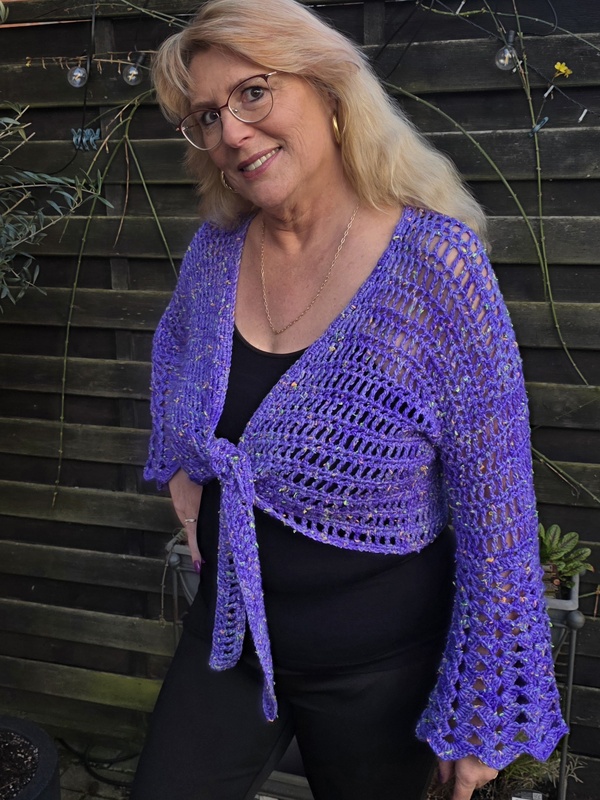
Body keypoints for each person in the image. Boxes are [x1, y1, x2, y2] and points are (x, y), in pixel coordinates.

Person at [132, 1, 567, 798]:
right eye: (208, 116)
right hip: (229, 637)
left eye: (253, 93)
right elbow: (175, 367)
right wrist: (184, 473)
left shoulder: (435, 265)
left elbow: (496, 507)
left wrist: (481, 711)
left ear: (330, 91)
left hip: (382, 675)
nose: (232, 132)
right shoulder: (215, 254)